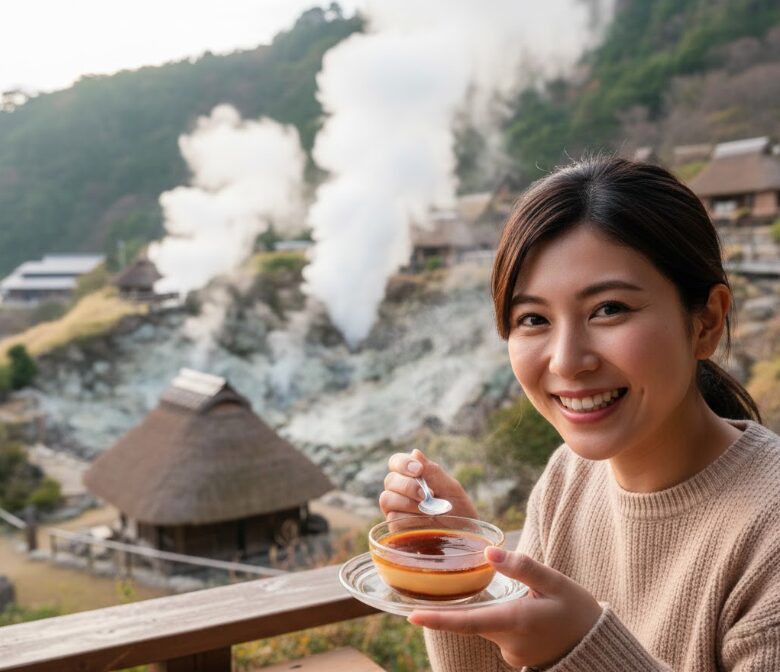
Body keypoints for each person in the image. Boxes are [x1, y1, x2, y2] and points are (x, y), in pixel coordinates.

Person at [380, 156, 780, 671]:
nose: (567, 360)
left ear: (706, 322)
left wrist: (583, 649)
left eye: (609, 309)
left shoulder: (768, 531)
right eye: (533, 319)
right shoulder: (568, 480)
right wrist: (463, 577)